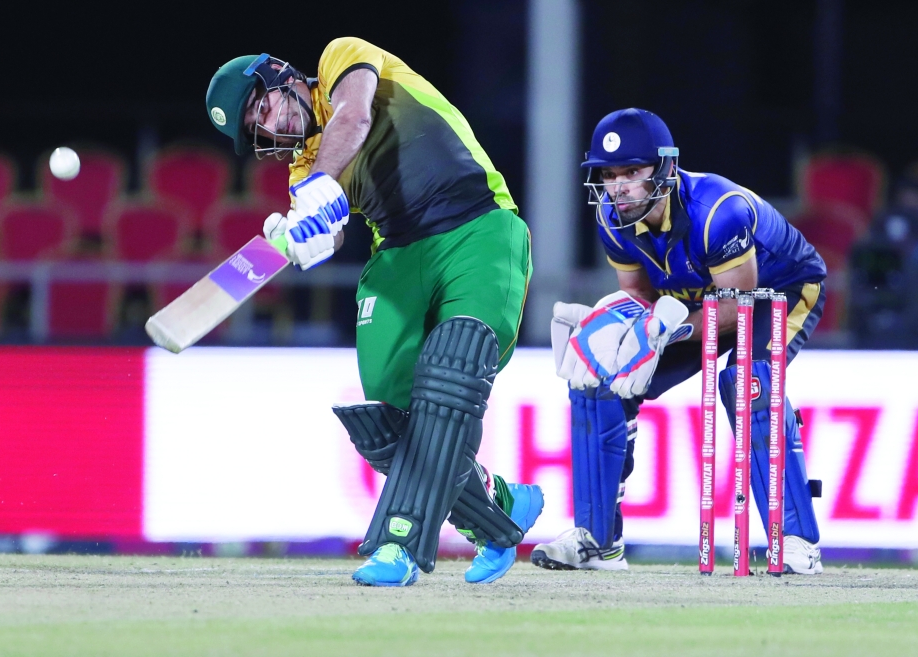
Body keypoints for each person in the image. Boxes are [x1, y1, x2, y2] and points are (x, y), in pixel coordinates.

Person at [204, 38, 543, 586]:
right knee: (386, 423)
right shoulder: (302, 172)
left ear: (281, 75)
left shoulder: (341, 58)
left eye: (261, 106)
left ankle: (397, 546)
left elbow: (354, 116)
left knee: (453, 367)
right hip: (399, 256)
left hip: (479, 225)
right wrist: (303, 238)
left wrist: (318, 189)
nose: (268, 126)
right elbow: (331, 231)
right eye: (255, 128)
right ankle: (497, 508)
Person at [533, 108, 826, 574]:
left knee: (748, 382)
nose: (618, 187)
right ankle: (597, 541)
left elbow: (739, 304)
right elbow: (639, 295)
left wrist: (669, 329)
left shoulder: (718, 212)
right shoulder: (612, 217)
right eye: (609, 175)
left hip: (775, 291)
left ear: (665, 168)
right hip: (690, 300)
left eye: (632, 172)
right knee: (599, 376)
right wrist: (618, 330)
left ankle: (795, 540)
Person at [849, 177, 918, 350]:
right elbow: (869, 294)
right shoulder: (877, 247)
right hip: (882, 333)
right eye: (904, 203)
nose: (910, 210)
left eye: (916, 203)